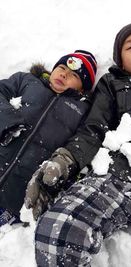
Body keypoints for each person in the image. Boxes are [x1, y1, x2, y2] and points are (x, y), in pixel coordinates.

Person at [25, 23, 131, 266]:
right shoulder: (111, 84)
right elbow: (92, 130)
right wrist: (64, 160)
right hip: (114, 178)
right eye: (130, 46)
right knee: (57, 231)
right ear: (120, 60)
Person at [0, 50, 97, 226]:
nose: (64, 74)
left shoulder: (82, 111)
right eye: (61, 67)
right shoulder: (27, 81)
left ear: (82, 88)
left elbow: (82, 143)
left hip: (17, 196)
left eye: (74, 74)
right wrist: (7, 122)